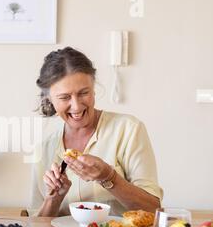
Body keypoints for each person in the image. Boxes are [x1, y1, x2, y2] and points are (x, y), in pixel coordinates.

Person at [30, 47, 163, 216]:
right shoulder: (44, 149)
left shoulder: (128, 129)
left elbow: (153, 209)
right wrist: (54, 199)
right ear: (49, 99)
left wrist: (109, 178)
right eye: (64, 97)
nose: (77, 106)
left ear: (93, 89)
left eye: (83, 93)